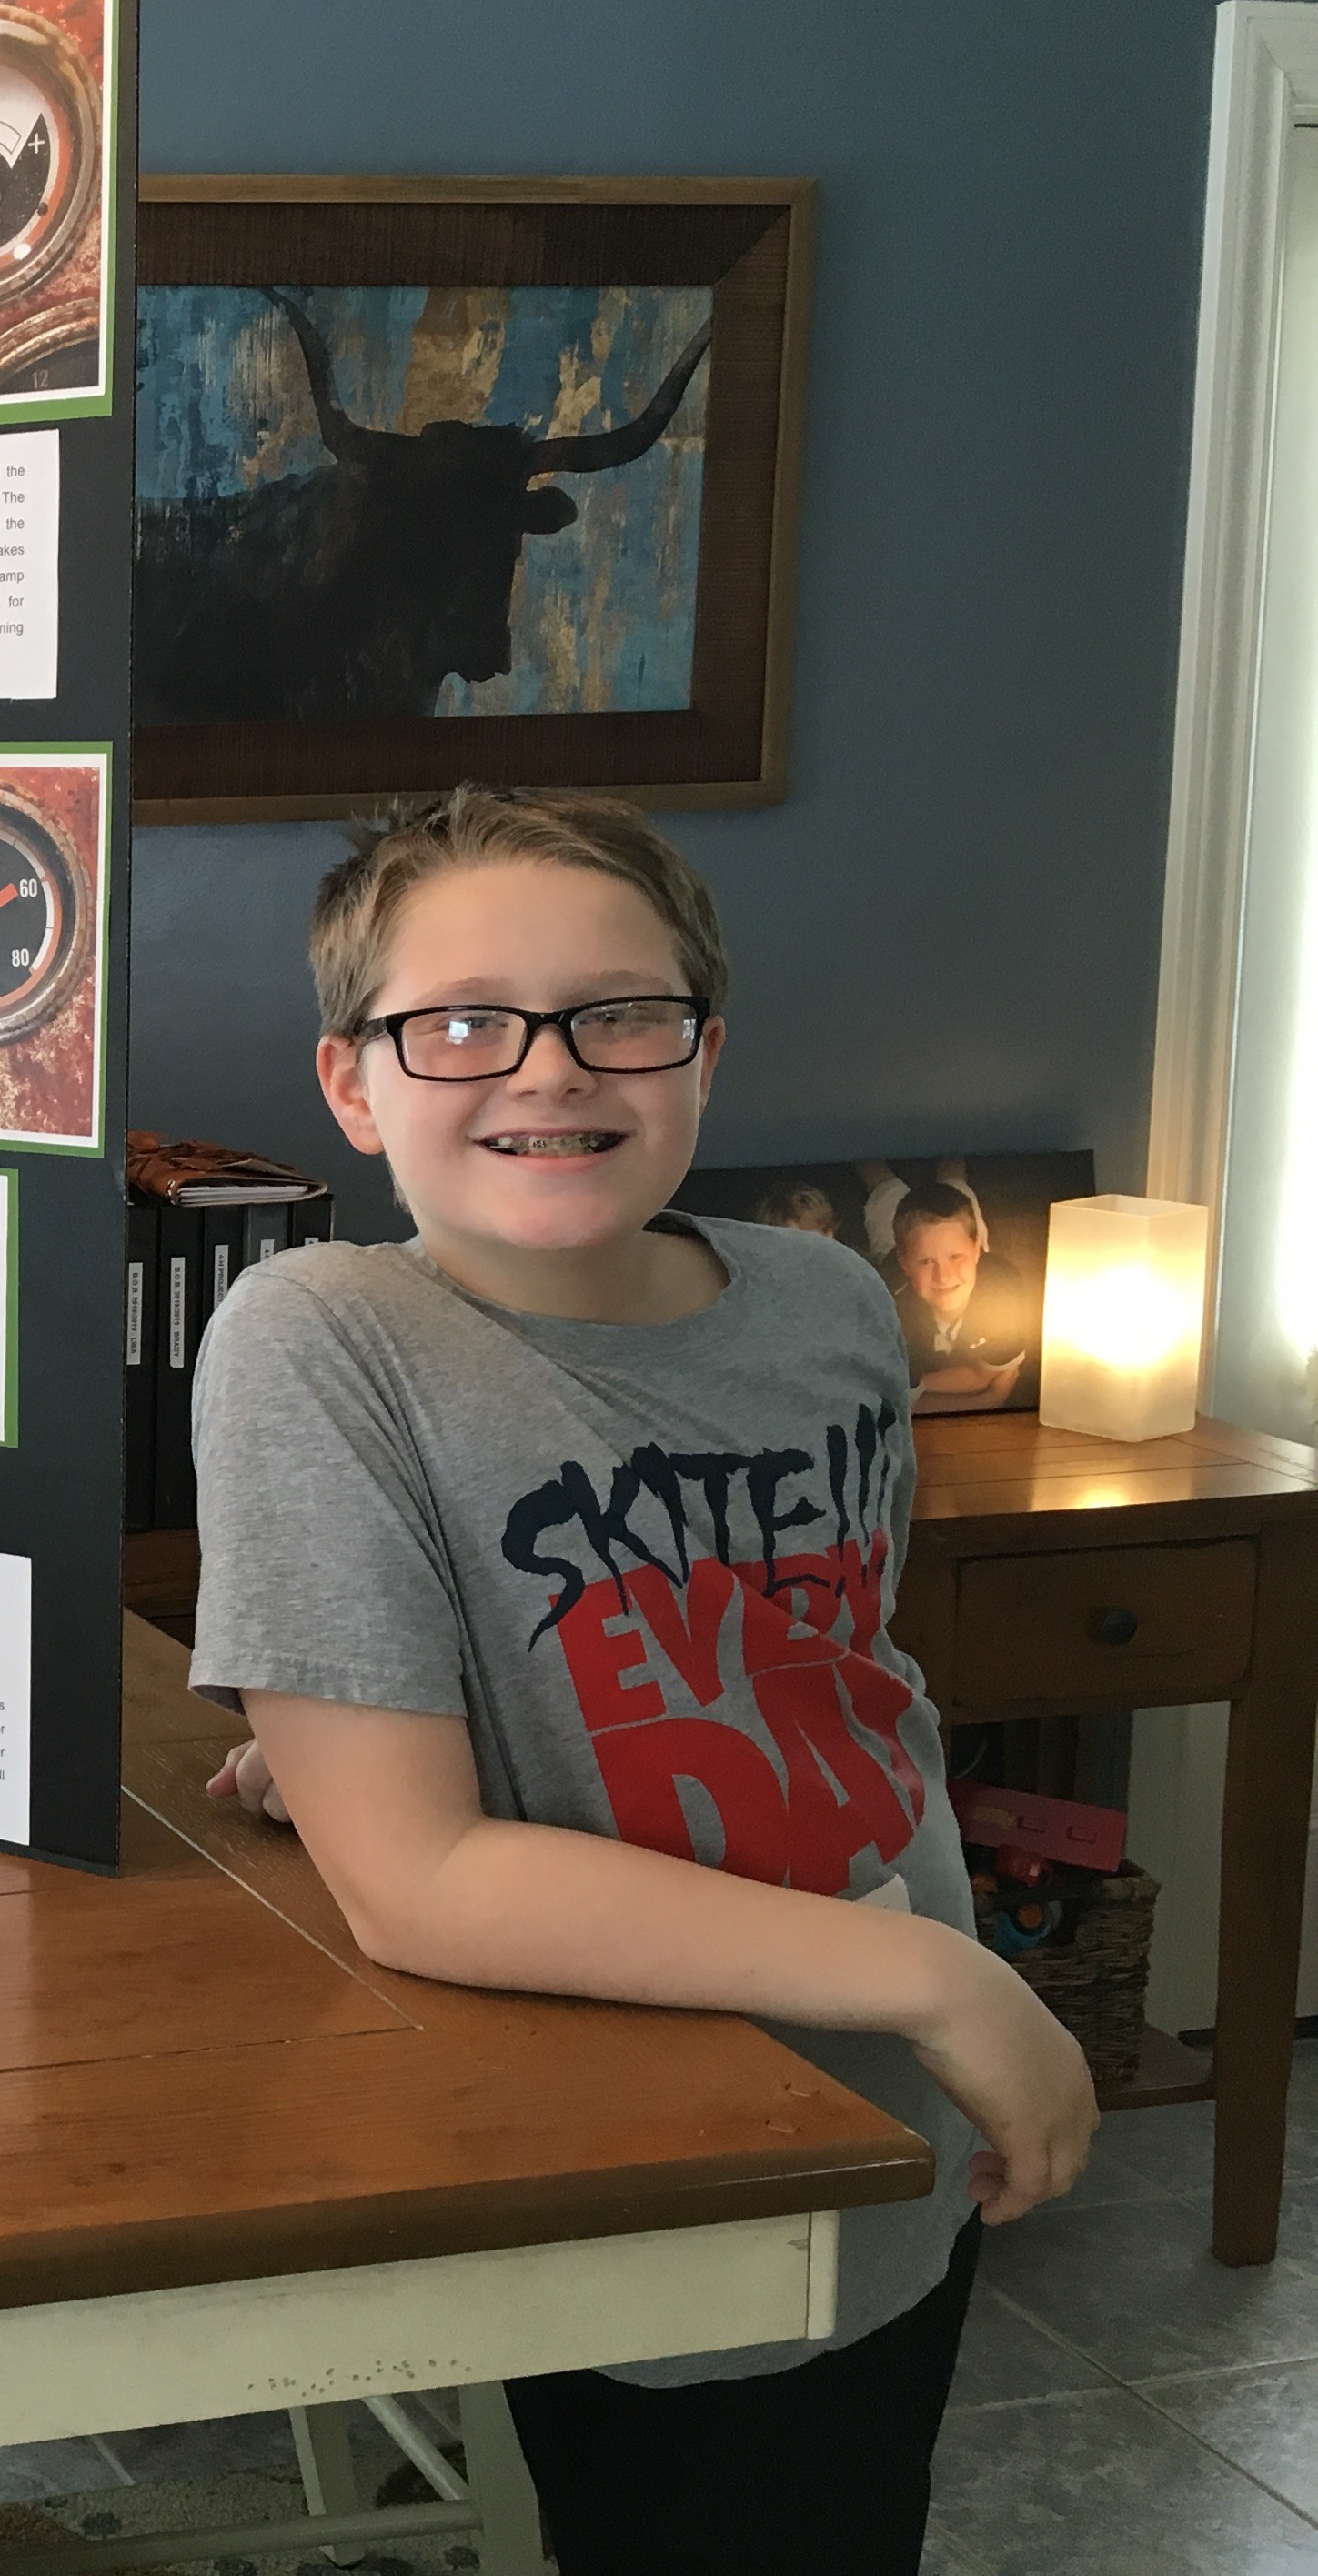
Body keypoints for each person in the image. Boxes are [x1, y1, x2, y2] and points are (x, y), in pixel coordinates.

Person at [192, 785, 1092, 2576]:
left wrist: (382, 1735)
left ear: (702, 1050)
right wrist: (938, 1977)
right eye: (458, 1023)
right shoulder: (320, 1343)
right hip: (666, 2147)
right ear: (354, 1084)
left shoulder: (832, 1304)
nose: (550, 1069)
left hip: (907, 2119)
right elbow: (421, 1881)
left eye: (622, 1012)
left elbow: (826, 1667)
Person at [883, 1178, 1036, 1411]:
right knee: (885, 1192)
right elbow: (903, 1408)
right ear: (904, 1264)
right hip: (894, 1267)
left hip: (978, 1262)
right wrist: (988, 1400)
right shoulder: (888, 1309)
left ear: (977, 1251)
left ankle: (953, 1169)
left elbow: (986, 1373)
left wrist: (923, 1383)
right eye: (926, 1262)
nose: (943, 1277)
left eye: (955, 1257)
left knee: (957, 1184)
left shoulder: (1005, 1290)